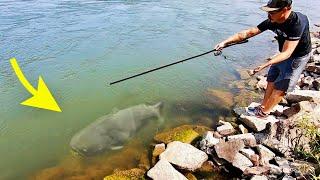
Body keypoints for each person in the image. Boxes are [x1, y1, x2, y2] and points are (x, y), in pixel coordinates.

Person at [214, 0, 311, 118]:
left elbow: (287, 53)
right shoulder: (272, 20)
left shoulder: (297, 23)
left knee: (281, 86)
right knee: (272, 79)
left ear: (285, 9)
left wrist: (264, 65)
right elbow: (248, 33)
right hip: (282, 53)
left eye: (272, 12)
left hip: (297, 57)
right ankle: (263, 106)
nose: (268, 15)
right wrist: (225, 42)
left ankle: (264, 113)